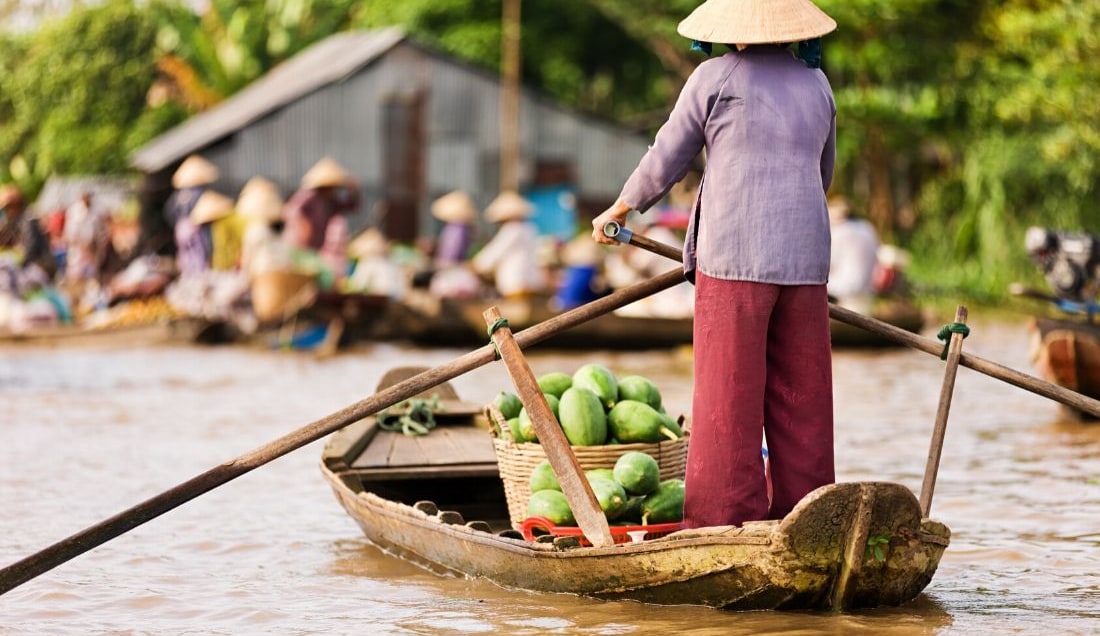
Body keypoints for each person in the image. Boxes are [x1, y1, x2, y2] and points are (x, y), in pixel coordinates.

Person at [592, 0, 838, 528]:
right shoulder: (818, 85)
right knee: (804, 397)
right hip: (806, 261)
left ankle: (724, 520)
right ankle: (809, 517)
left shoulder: (714, 76)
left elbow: (669, 152)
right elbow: (824, 172)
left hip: (734, 257)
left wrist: (622, 206)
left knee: (729, 395)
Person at [283, 157, 360, 285]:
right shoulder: (309, 196)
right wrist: (303, 225)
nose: (334, 190)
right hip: (299, 248)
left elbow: (352, 206)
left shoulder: (330, 202)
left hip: (316, 250)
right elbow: (290, 210)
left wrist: (354, 191)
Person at [472, 191, 547, 298]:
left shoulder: (512, 230)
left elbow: (495, 252)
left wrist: (477, 266)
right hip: (532, 280)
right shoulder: (530, 229)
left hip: (515, 281)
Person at [164, 154, 219, 273]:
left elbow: (169, 212)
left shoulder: (178, 195)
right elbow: (206, 212)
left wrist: (179, 224)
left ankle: (188, 276)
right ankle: (200, 275)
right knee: (200, 254)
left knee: (186, 255)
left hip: (181, 230)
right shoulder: (200, 192)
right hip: (196, 228)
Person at [826, 195, 879, 313]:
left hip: (839, 295)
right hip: (866, 294)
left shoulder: (838, 232)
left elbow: (826, 265)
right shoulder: (868, 228)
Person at [0, 184, 54, 279]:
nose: (6, 212)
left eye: (7, 208)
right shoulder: (16, 221)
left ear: (16, 206)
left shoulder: (28, 221)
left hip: (42, 266)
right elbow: (5, 236)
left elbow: (31, 249)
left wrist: (19, 266)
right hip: (34, 264)